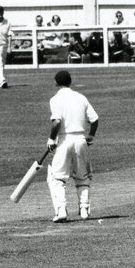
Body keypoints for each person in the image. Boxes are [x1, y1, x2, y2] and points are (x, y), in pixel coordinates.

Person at [46, 69, 99, 222]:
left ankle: (61, 210)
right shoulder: (81, 97)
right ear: (70, 82)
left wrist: (51, 139)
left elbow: (56, 122)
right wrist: (90, 136)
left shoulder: (55, 99)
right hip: (80, 139)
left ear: (56, 83)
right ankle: (84, 210)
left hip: (63, 140)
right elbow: (94, 120)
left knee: (57, 178)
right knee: (82, 176)